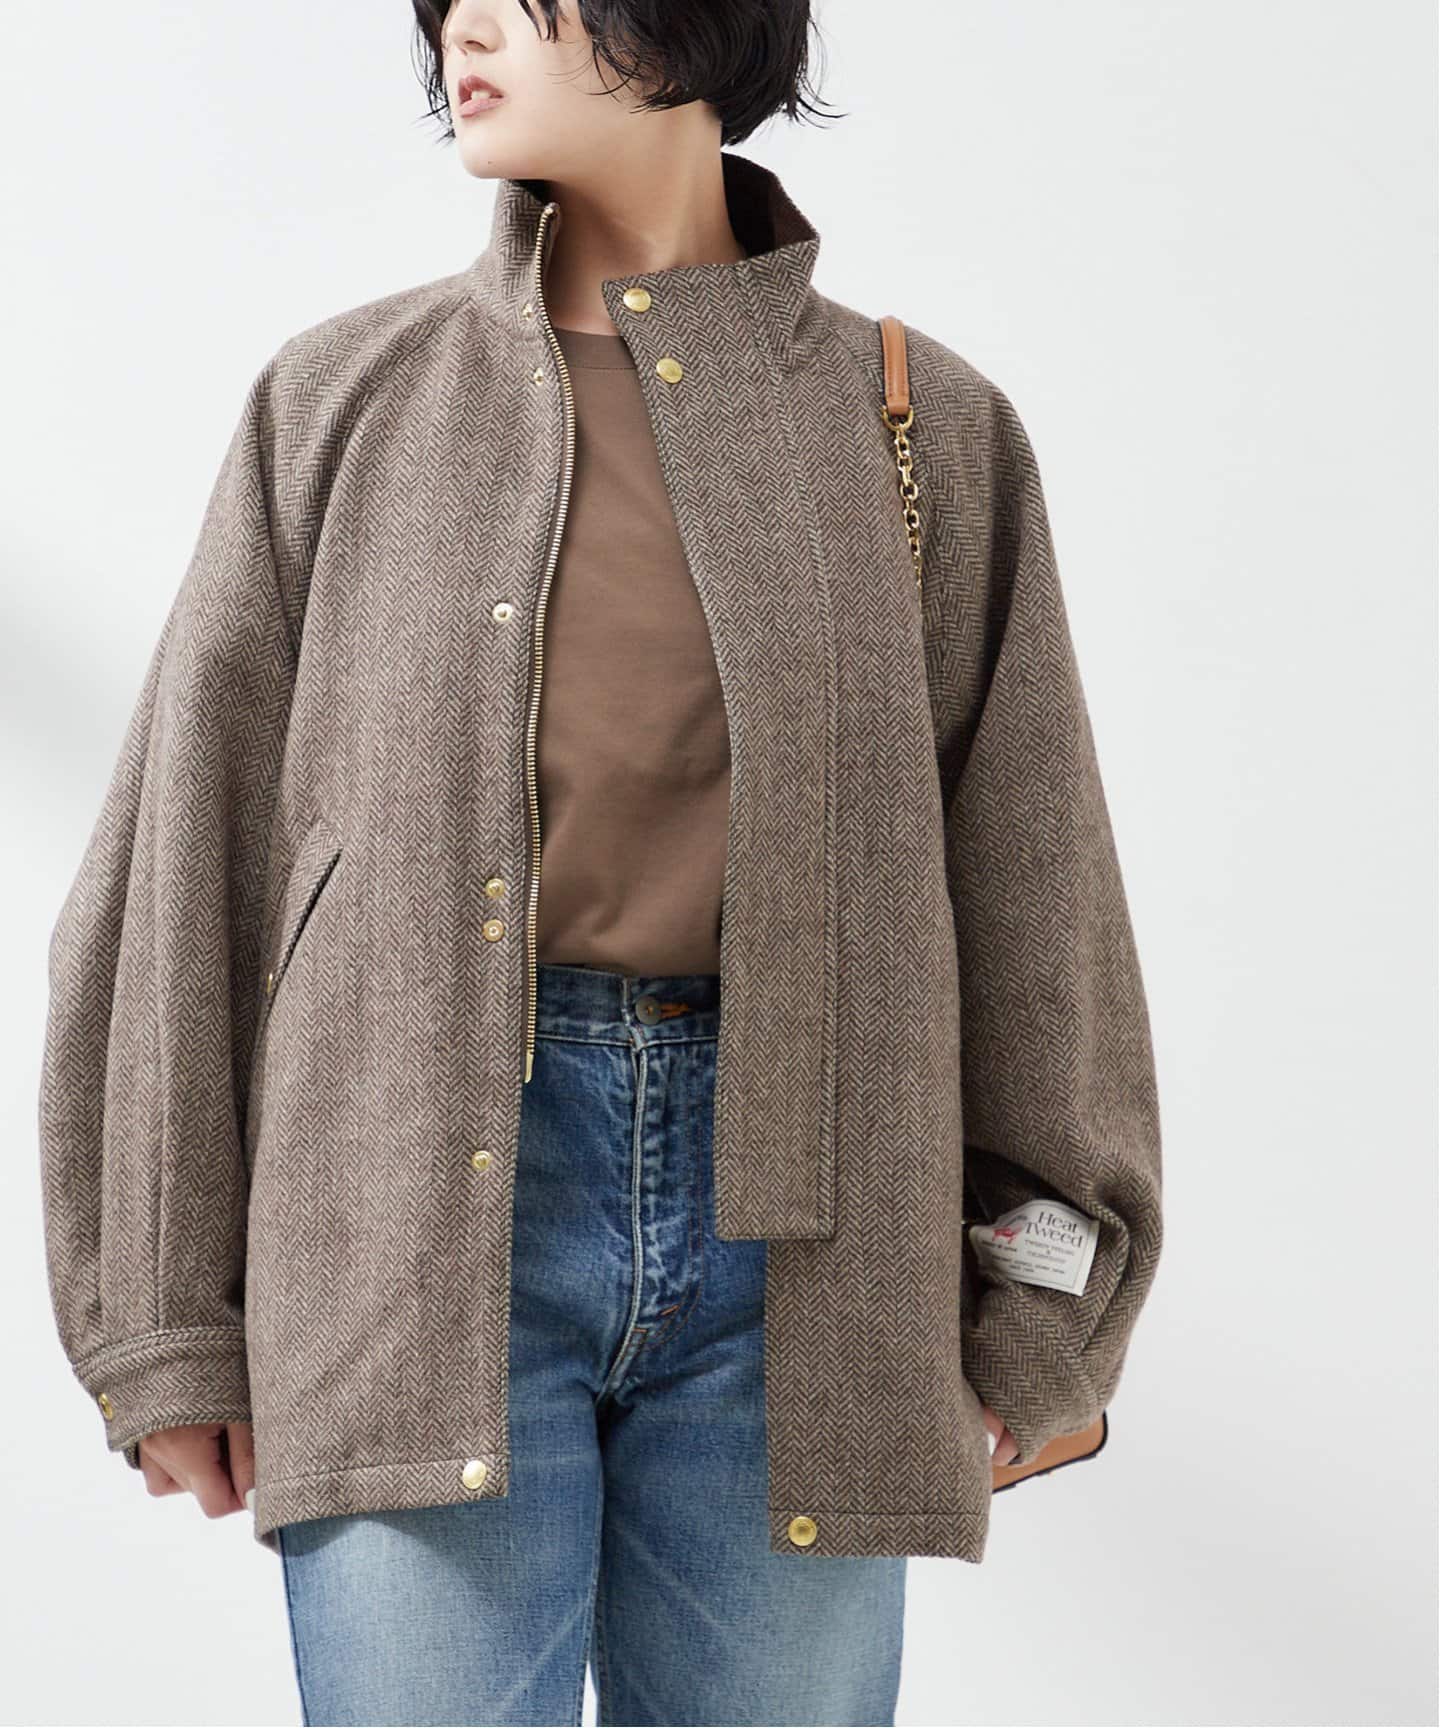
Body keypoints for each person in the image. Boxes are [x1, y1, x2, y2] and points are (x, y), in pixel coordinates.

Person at [37, 2, 1164, 1724]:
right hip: (405, 1227)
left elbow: (1037, 896)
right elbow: (185, 864)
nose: (469, 30)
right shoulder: (342, 401)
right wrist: (164, 1315)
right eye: (450, 7)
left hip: (817, 1256)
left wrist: (1042, 1310)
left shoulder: (920, 420)